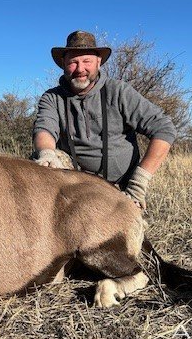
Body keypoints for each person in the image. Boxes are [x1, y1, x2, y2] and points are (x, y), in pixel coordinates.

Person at [33, 30, 176, 209]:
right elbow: (44, 129)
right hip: (73, 186)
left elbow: (164, 128)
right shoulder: (52, 97)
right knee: (39, 160)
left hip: (120, 187)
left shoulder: (119, 91)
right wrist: (47, 153)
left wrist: (139, 184)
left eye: (87, 61)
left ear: (98, 62)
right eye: (73, 62)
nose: (80, 69)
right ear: (63, 64)